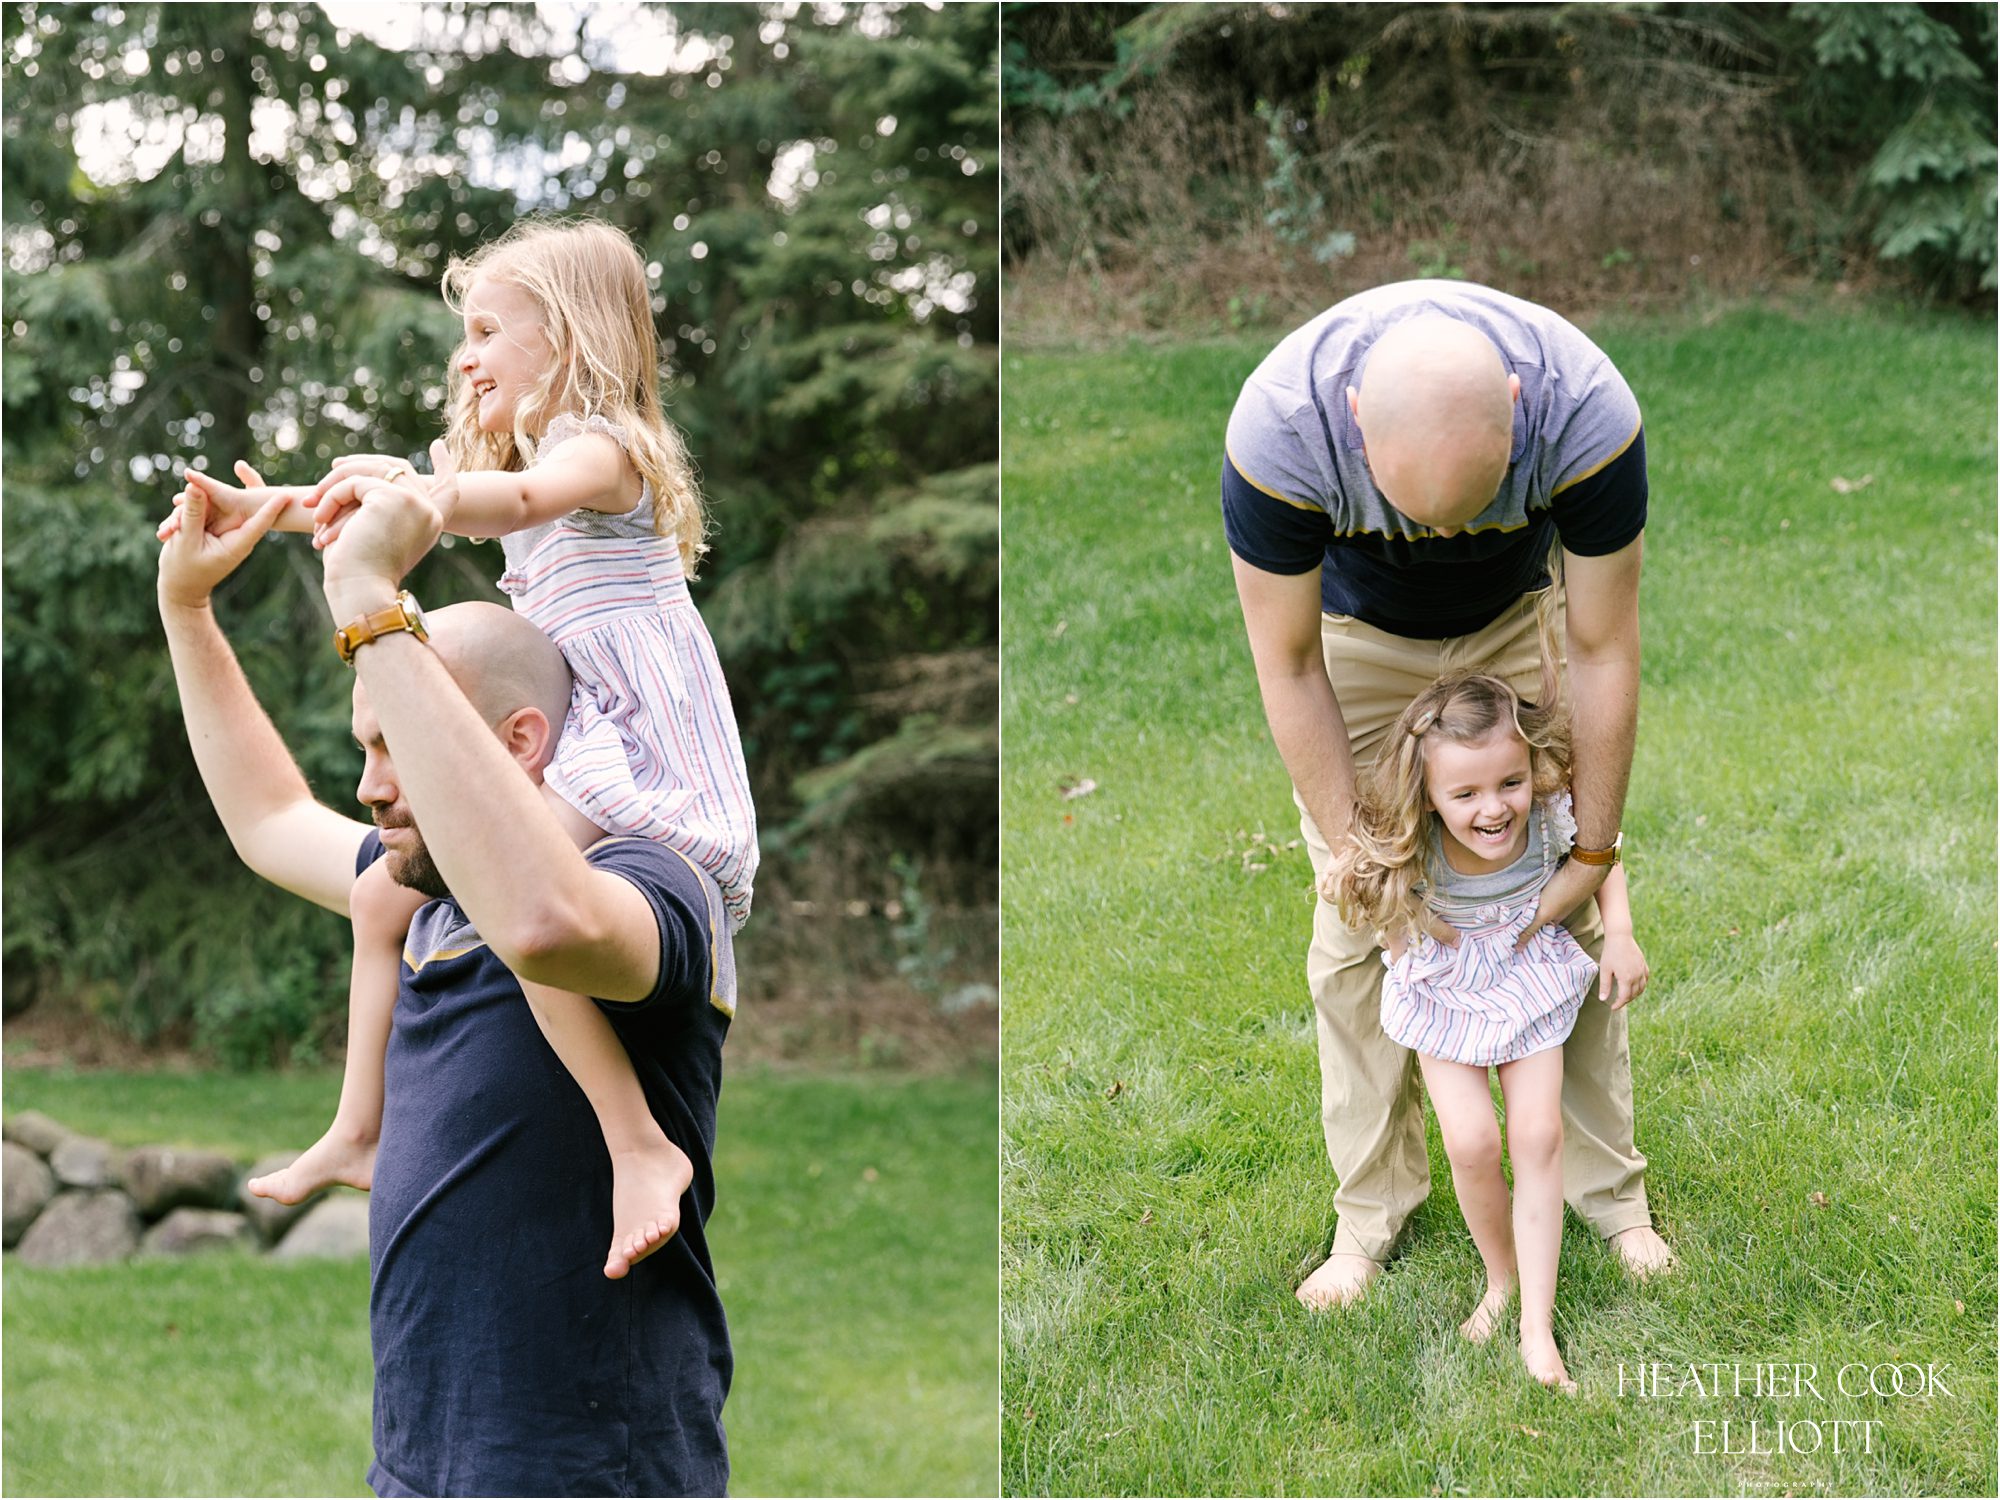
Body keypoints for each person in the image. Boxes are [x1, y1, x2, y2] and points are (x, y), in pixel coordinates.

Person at [161, 217, 757, 1280]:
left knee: (505, 896)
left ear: (569, 338)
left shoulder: (603, 451)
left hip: (635, 748)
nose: (465, 356)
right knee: (384, 896)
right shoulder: (500, 473)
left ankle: (636, 1142)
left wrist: (421, 504)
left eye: (487, 331)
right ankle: (358, 1125)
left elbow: (511, 502)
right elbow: (403, 506)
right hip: (580, 735)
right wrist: (264, 513)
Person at [156, 465, 734, 1496]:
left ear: (519, 743)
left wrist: (370, 599)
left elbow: (544, 928)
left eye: (401, 744)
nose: (371, 786)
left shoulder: (651, 883)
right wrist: (188, 608)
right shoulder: (426, 897)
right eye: (366, 746)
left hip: (587, 1472)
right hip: (423, 1465)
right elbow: (267, 821)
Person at [1222, 279, 1674, 1310]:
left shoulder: (1585, 415)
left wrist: (1592, 854)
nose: (1437, 534)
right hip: (1356, 645)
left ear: (1517, 405)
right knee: (1355, 936)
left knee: (1560, 910)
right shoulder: (1279, 435)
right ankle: (1368, 1217)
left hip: (1516, 620)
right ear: (1352, 425)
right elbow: (1287, 664)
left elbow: (1604, 644)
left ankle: (1612, 1199)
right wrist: (1367, 865)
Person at [1328, 661, 1650, 1394]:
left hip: (1527, 977)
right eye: (1465, 793)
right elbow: (1369, 888)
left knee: (1538, 1135)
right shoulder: (1414, 839)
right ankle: (1499, 1279)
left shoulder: (1549, 816)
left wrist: (1622, 935)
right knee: (1471, 1142)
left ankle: (1537, 1325)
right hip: (1446, 993)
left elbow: (1603, 856)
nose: (1494, 808)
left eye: (1509, 782)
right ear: (1430, 794)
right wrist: (1399, 934)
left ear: (1530, 770)